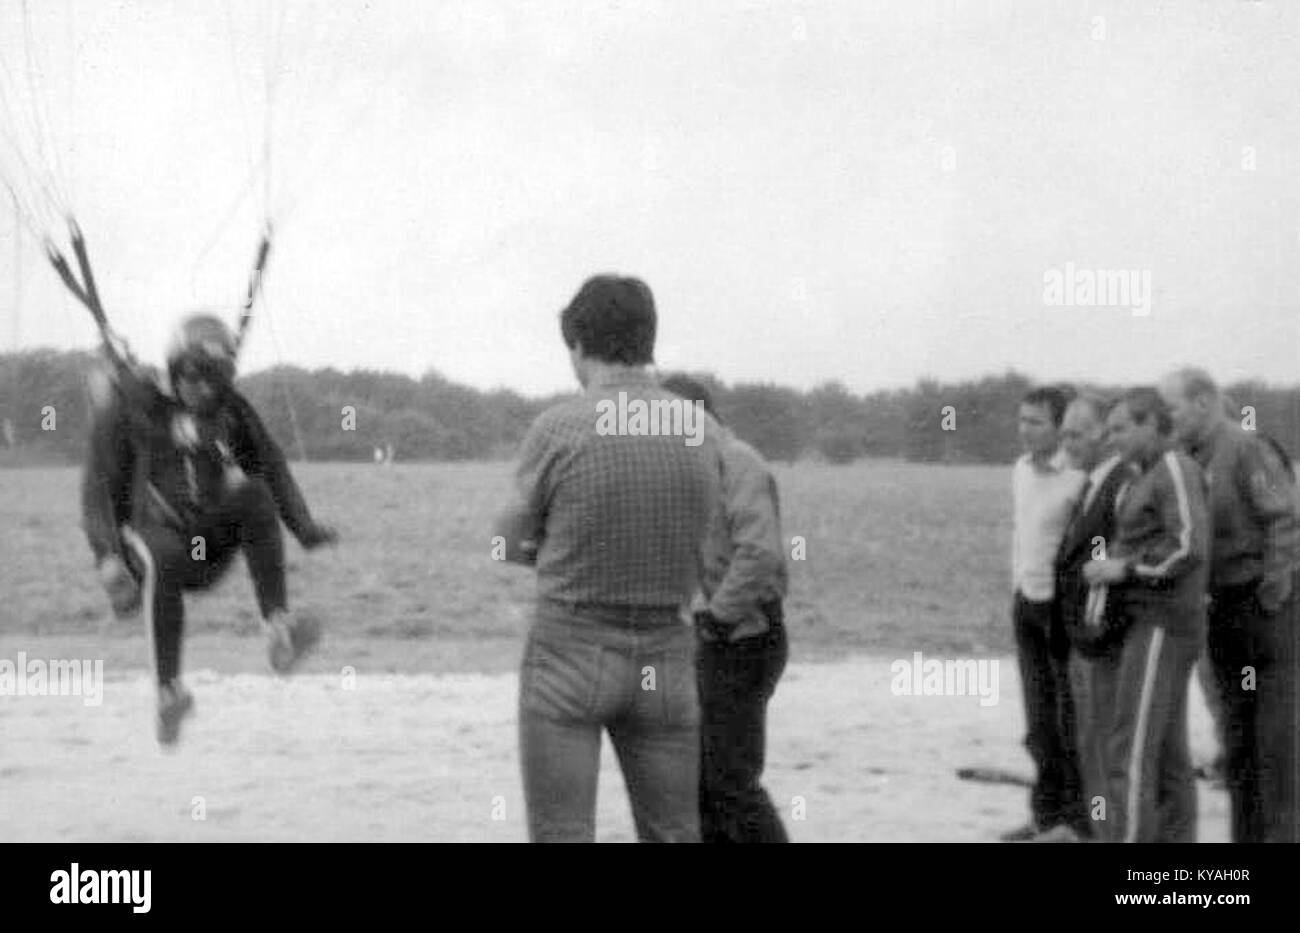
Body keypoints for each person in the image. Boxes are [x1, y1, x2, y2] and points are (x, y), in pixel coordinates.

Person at [494, 275, 723, 843]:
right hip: (667, 651)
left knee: (562, 832)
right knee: (674, 831)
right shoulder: (699, 427)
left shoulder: (558, 426)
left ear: (578, 345)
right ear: (648, 341)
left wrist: (545, 548)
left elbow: (507, 542)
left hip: (571, 648)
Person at [82, 313, 337, 746]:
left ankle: (279, 631)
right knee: (162, 553)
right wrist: (106, 555)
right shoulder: (136, 403)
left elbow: (270, 466)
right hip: (149, 545)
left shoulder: (230, 411)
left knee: (252, 494)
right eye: (193, 379)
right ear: (175, 369)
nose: (202, 391)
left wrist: (304, 527)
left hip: (202, 550)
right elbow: (98, 487)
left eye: (213, 382)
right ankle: (169, 694)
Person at [1160, 367, 1299, 843]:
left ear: (1202, 403)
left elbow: (1284, 520)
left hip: (1262, 606)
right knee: (1236, 737)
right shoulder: (1182, 457)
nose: (1167, 418)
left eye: (1172, 407)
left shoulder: (1244, 448)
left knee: (1275, 739)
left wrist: (1273, 594)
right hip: (1218, 609)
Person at [660, 372, 789, 844]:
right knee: (700, 783)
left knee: (731, 781)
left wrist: (717, 616)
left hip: (745, 639)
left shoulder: (739, 464)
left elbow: (759, 553)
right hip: (713, 638)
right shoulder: (691, 468)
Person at [1084, 387, 1209, 842]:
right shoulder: (1145, 474)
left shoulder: (1173, 468)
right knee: (1168, 755)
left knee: (1129, 751)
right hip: (1153, 623)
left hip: (1162, 625)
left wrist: (1123, 569)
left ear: (1151, 425)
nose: (1110, 437)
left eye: (1120, 428)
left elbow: (1188, 545)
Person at [1004, 386, 1087, 841]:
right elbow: (1022, 536)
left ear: (1060, 427)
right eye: (1022, 420)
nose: (1025, 430)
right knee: (1037, 720)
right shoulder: (1019, 471)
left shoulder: (1077, 478)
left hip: (1061, 609)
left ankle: (1075, 821)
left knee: (1066, 717)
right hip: (1026, 603)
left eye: (1036, 422)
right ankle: (1045, 815)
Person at [1053, 393, 1135, 841]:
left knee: (1105, 749)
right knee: (1091, 747)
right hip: (1083, 640)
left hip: (1102, 642)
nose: (1066, 443)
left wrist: (1096, 632)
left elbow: (1117, 563)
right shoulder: (1090, 485)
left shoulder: (1120, 485)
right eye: (1063, 432)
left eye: (1076, 434)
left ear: (1105, 435)